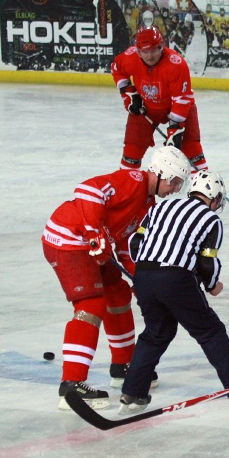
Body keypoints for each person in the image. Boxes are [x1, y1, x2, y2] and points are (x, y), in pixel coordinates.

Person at [43, 146, 191, 410]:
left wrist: (140, 276)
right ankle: (71, 385)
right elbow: (87, 190)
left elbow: (124, 244)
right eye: (175, 182)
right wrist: (93, 232)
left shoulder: (147, 204)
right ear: (159, 173)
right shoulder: (132, 180)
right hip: (69, 239)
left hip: (93, 246)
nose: (175, 189)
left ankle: (123, 366)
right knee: (90, 305)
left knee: (119, 294)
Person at [119, 170, 229, 413]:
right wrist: (211, 285)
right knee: (210, 331)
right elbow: (207, 261)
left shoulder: (159, 208)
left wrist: (145, 271)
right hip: (175, 278)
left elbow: (135, 243)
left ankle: (133, 393)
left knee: (156, 332)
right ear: (214, 197)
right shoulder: (210, 219)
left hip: (143, 275)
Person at [110, 26, 208, 174]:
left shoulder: (176, 64)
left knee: (192, 149)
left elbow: (182, 99)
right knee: (132, 151)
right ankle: (127, 185)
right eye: (145, 52)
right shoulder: (130, 58)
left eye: (154, 50)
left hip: (176, 108)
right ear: (137, 51)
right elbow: (116, 68)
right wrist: (129, 93)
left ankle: (204, 190)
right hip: (146, 108)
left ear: (162, 47)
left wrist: (175, 130)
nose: (150, 56)